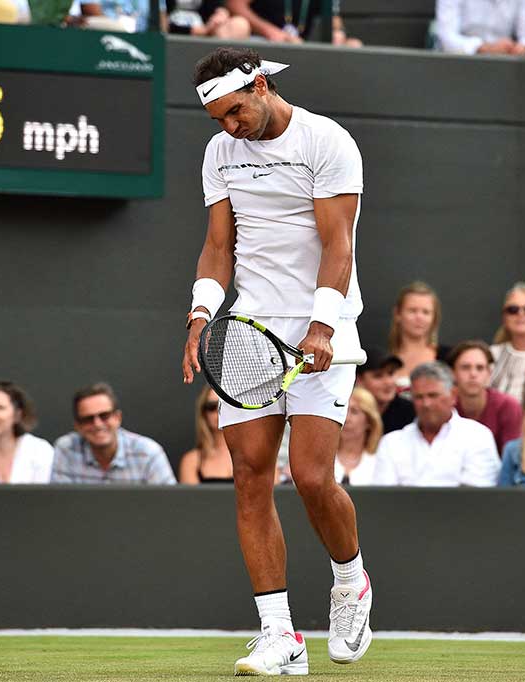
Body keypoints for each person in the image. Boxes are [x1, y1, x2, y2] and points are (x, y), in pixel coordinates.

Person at [180, 47, 371, 675]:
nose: (229, 128)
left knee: (314, 478)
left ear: (260, 86)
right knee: (249, 474)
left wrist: (320, 326)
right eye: (218, 120)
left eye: (235, 111)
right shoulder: (219, 154)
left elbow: (336, 245)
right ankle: (280, 636)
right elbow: (218, 245)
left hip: (324, 326)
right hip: (250, 330)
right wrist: (201, 315)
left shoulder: (328, 141)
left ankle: (351, 583)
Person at [374, 362, 500, 487]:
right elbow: (384, 498)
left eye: (433, 395)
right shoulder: (391, 443)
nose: (426, 404)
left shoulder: (477, 436)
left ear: (453, 395)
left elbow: (478, 496)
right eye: (419, 397)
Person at [51, 383, 175, 484]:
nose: (97, 424)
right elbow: (61, 506)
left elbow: (169, 505)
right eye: (88, 419)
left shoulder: (147, 453)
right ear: (77, 426)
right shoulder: (66, 450)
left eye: (104, 416)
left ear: (118, 418)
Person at [449, 340, 522, 454]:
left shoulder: (508, 406)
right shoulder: (444, 405)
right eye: (465, 367)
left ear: (489, 372)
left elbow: (511, 459)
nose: (473, 374)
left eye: (480, 368)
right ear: (453, 373)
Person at [388, 281, 448, 398]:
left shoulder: (447, 357)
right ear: (398, 314)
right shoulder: (385, 361)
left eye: (426, 312)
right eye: (412, 310)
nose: (419, 317)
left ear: (434, 318)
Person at [224, 0, 362, 45]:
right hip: (257, 42)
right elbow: (235, 5)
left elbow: (334, 18)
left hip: (297, 45)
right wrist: (269, 31)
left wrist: (338, 33)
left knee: (353, 44)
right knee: (238, 26)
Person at [434, 0, 525, 55]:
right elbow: (446, 38)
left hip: (505, 67)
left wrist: (522, 48)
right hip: (457, 65)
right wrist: (485, 48)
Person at [179, 386, 233, 484]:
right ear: (203, 413)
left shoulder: (253, 456)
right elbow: (190, 499)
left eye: (224, 405)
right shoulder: (192, 462)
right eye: (212, 407)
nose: (219, 411)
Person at [356, 347, 415, 434]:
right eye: (378, 376)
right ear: (359, 380)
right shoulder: (348, 411)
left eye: (391, 373)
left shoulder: (410, 411)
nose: (388, 382)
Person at [334, 387, 380, 486]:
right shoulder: (323, 458)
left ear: (369, 421)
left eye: (354, 411)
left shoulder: (380, 460)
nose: (346, 418)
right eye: (343, 410)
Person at [165, 0, 251, 39]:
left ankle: (221, 67)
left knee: (240, 25)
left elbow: (218, 8)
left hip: (206, 29)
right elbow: (160, 21)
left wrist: (220, 15)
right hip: (171, 31)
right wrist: (195, 31)